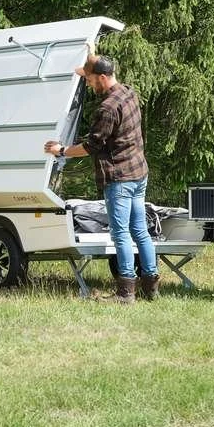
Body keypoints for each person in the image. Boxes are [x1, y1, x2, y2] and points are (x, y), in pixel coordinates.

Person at [45, 54, 159, 303]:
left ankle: (125, 292)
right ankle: (150, 287)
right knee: (140, 231)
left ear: (103, 78)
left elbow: (91, 146)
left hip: (120, 178)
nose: (88, 84)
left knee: (120, 234)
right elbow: (95, 66)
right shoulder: (128, 92)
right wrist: (91, 53)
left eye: (91, 80)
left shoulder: (107, 108)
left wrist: (61, 151)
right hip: (139, 173)